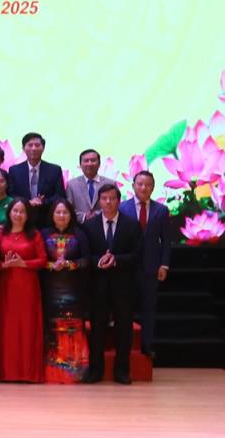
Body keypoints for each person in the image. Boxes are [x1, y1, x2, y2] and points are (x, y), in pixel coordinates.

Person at [82, 183, 143, 384]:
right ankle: (95, 371)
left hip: (123, 286)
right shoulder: (89, 226)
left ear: (119, 200)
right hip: (97, 287)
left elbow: (137, 255)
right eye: (104, 198)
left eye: (112, 198)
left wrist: (116, 260)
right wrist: (99, 261)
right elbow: (85, 255)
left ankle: (122, 371)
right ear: (99, 201)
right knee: (97, 330)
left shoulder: (131, 224)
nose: (108, 202)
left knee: (124, 330)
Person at [0, 197, 47, 382]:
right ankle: (6, 372)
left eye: (22, 211)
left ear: (27, 215)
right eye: (15, 211)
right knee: (7, 328)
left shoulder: (34, 234)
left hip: (28, 287)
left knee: (27, 327)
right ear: (9, 213)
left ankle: (28, 373)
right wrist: (4, 265)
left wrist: (23, 263)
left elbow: (43, 260)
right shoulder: (0, 233)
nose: (18, 214)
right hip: (6, 286)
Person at [120, 170, 170, 357]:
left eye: (148, 185)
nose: (143, 188)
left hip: (151, 267)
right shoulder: (122, 208)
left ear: (153, 188)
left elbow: (166, 241)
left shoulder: (161, 210)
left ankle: (147, 345)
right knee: (125, 309)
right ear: (133, 185)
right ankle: (125, 346)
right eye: (140, 184)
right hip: (126, 268)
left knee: (149, 308)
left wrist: (164, 265)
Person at [41, 198, 90, 383]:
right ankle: (53, 372)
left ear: (71, 215)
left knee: (73, 329)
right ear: (52, 215)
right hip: (50, 290)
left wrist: (69, 264)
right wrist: (51, 265)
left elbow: (87, 260)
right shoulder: (43, 233)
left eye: (65, 212)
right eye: (58, 212)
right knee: (52, 329)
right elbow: (38, 259)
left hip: (74, 291)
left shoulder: (79, 234)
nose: (61, 215)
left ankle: (75, 372)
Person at [7, 132, 65, 221]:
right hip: (21, 217)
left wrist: (42, 202)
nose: (33, 148)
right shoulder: (14, 170)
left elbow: (59, 195)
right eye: (30, 145)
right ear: (23, 148)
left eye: (37, 145)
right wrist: (28, 202)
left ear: (43, 148)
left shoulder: (54, 170)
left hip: (47, 216)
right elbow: (10, 194)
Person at [66, 148, 114, 223]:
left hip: (103, 225)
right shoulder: (72, 184)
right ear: (80, 165)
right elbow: (68, 208)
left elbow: (114, 205)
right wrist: (84, 216)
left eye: (93, 160)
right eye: (86, 161)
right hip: (80, 226)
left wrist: (97, 215)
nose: (90, 163)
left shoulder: (110, 183)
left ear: (99, 164)